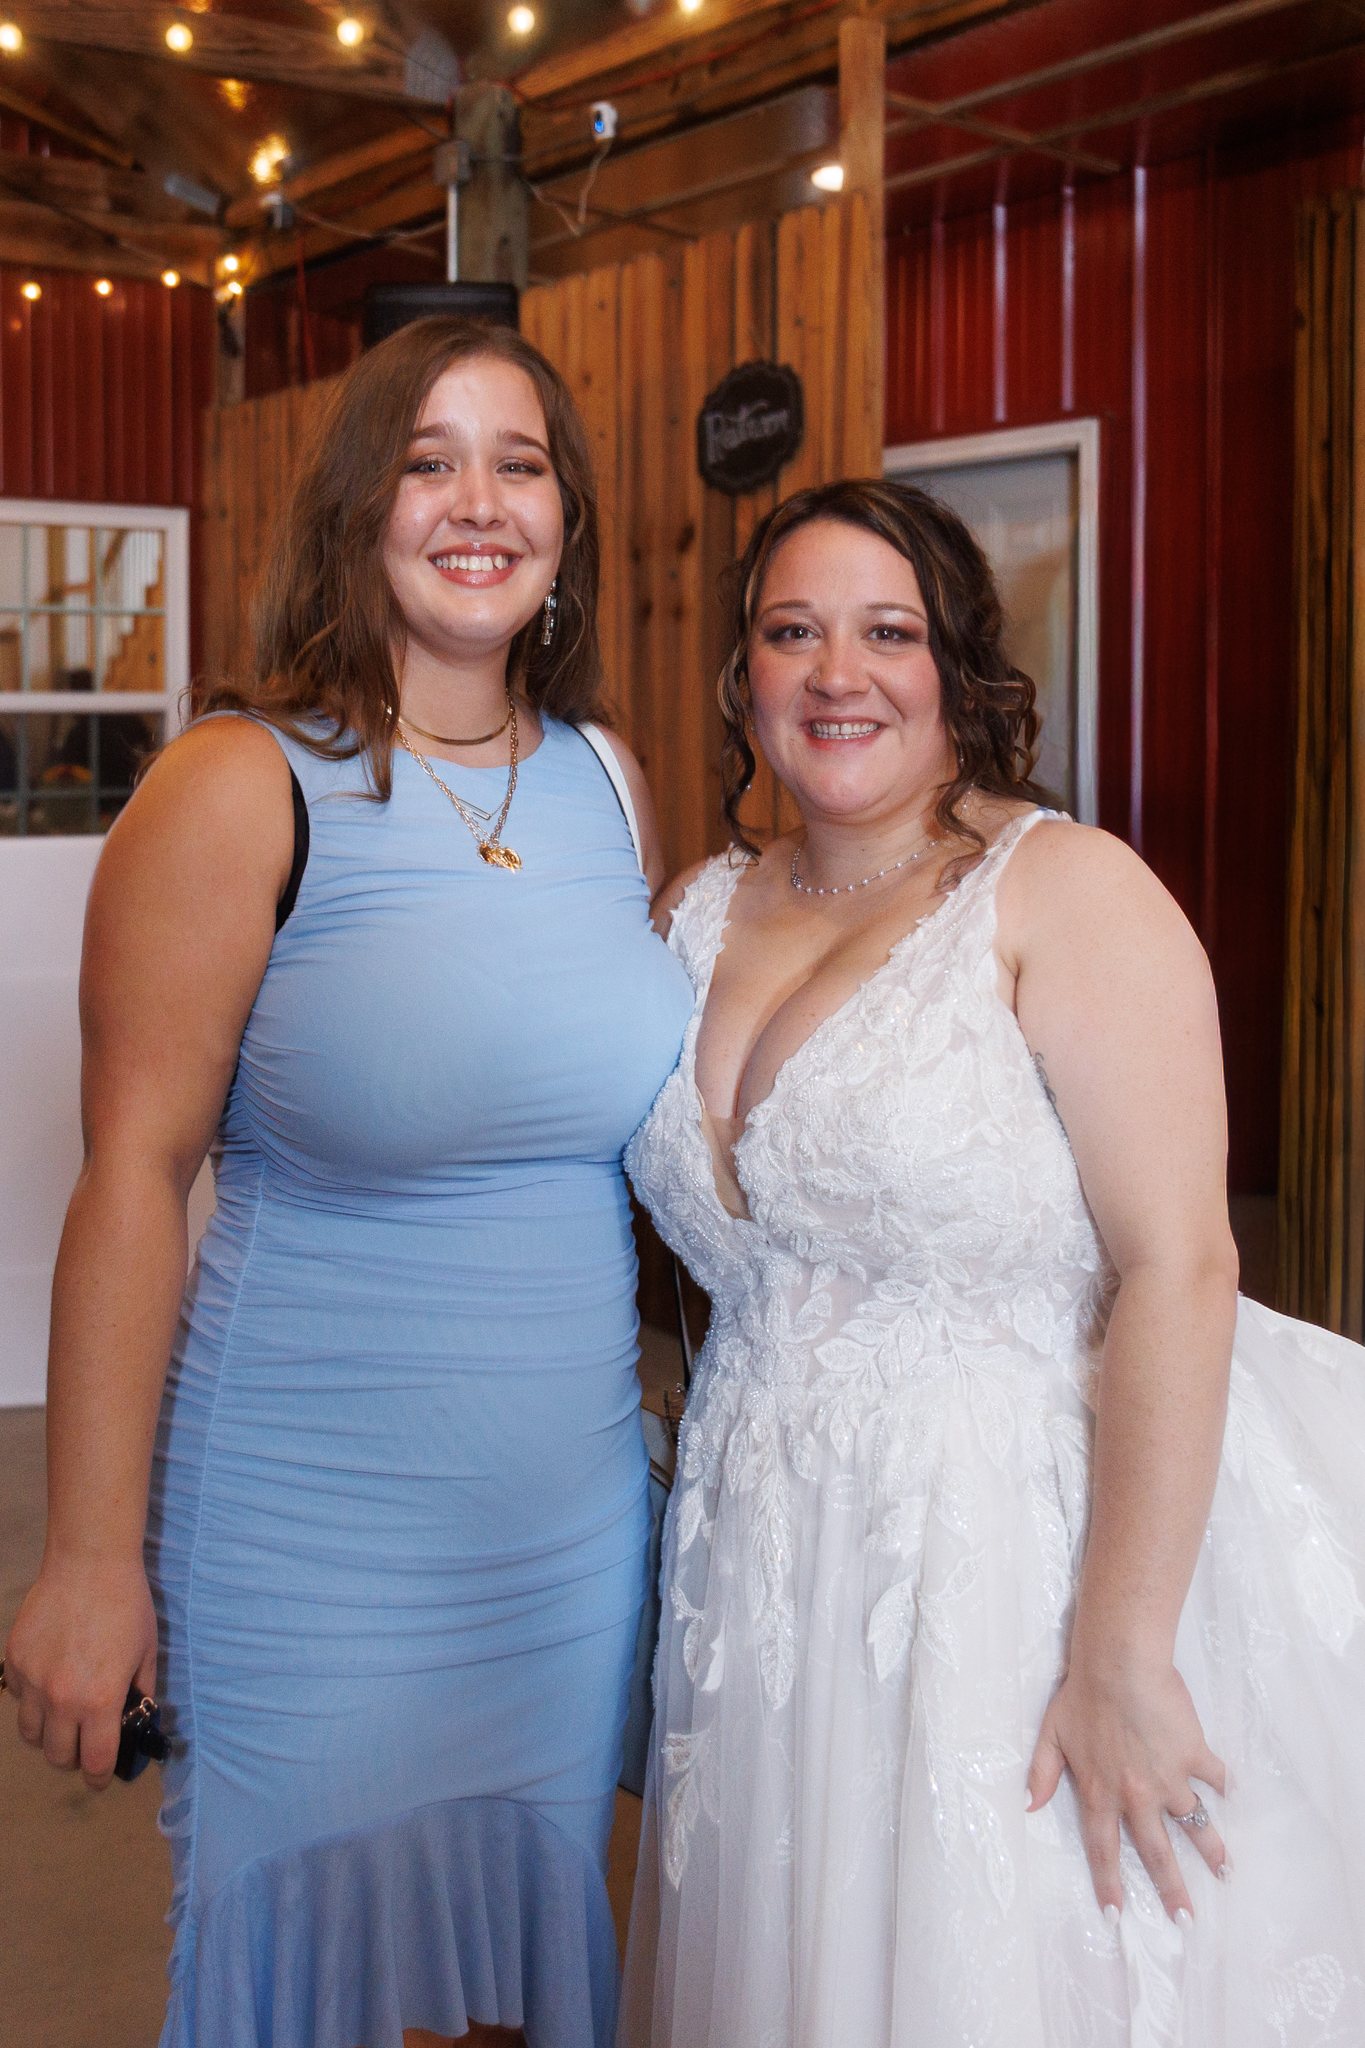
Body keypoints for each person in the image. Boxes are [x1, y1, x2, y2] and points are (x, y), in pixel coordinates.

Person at [3, 316, 696, 2048]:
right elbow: (132, 1176)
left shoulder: (607, 781)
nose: (478, 502)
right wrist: (87, 1557)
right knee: (315, 1979)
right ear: (356, 508)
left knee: (516, 1980)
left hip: (561, 1529)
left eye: (519, 464)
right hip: (312, 1529)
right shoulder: (239, 785)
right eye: (427, 461)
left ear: (566, 519)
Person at [619, 477, 1365, 2047]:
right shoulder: (692, 910)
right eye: (792, 633)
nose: (838, 673)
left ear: (957, 667)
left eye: (887, 633)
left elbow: (1180, 1265)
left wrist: (1120, 1647)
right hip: (761, 1552)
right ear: (743, 675)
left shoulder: (1063, 891)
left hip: (1005, 1552)